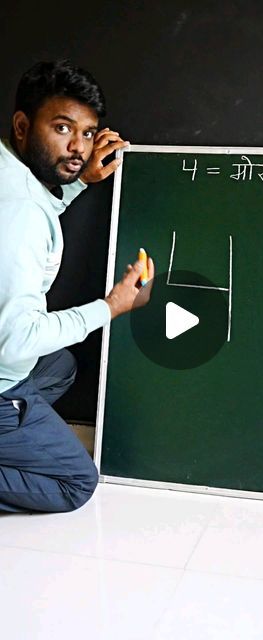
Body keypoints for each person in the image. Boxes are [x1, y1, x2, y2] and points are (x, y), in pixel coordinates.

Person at [0, 59, 154, 514]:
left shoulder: (13, 179)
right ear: (23, 126)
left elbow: (28, 218)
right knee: (74, 482)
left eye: (88, 134)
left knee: (60, 365)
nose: (79, 148)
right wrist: (111, 306)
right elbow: (15, 342)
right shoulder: (22, 215)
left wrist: (78, 184)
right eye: (63, 128)